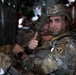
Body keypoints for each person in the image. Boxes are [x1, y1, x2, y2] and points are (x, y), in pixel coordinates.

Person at [13, 4, 76, 75]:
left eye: (57, 20)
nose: (53, 25)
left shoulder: (67, 43)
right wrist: (29, 49)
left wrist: (21, 54)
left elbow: (43, 68)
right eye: (51, 21)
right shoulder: (58, 39)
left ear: (67, 22)